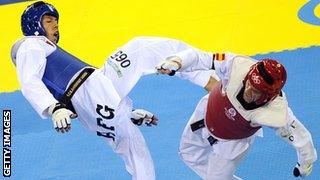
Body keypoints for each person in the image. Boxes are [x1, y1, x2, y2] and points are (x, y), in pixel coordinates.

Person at [10, 1, 215, 179]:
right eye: (48, 21)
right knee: (137, 152)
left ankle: (208, 78)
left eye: (56, 21)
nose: (55, 25)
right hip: (87, 91)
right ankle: (211, 77)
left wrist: (127, 114)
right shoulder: (30, 45)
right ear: (34, 26)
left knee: (142, 48)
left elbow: (93, 103)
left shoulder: (43, 48)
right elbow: (29, 82)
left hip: (95, 90)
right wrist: (54, 108)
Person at [156, 50, 317, 179]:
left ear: (268, 97)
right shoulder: (236, 65)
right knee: (187, 153)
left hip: (232, 142)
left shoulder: (278, 115)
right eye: (249, 83)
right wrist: (177, 61)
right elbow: (201, 57)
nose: (248, 90)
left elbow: (303, 140)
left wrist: (304, 166)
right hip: (206, 114)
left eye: (255, 91)